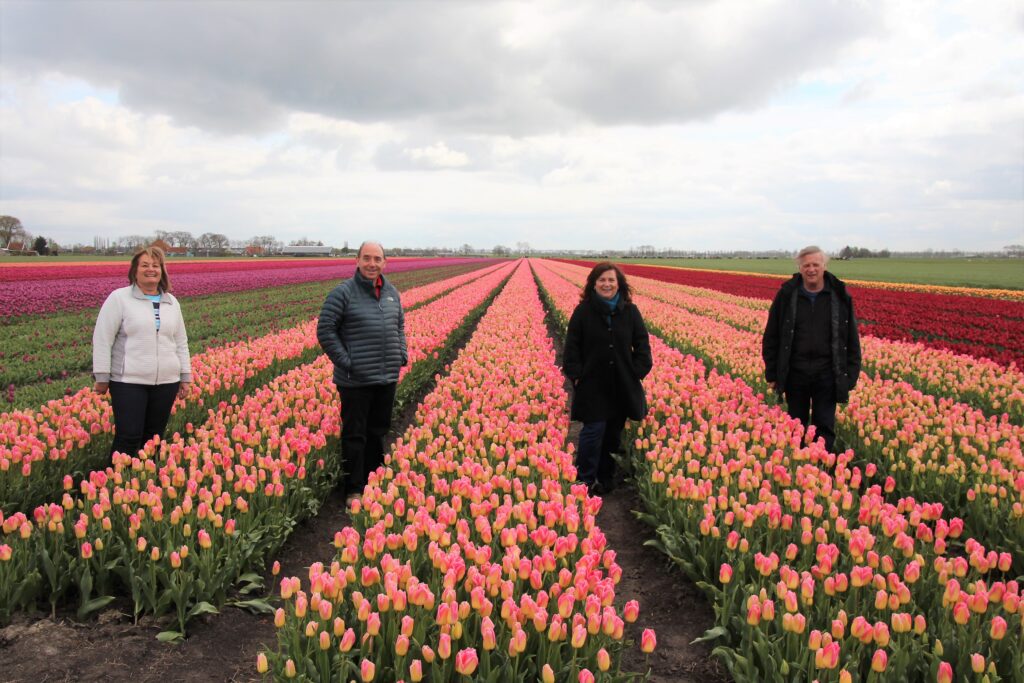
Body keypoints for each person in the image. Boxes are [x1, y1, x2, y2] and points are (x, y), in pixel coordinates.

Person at [317, 241, 408, 504]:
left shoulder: (391, 292)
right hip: (355, 380)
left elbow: (399, 325)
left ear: (385, 262)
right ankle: (354, 489)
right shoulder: (342, 293)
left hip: (386, 376)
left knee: (378, 430)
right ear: (357, 260)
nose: (372, 263)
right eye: (366, 258)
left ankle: (374, 480)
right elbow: (325, 330)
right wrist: (347, 361)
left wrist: (401, 354)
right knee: (355, 434)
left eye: (377, 258)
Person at [93, 246, 191, 459]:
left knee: (153, 438)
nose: (151, 269)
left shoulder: (172, 302)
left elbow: (180, 342)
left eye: (156, 265)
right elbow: (103, 338)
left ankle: (143, 486)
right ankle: (116, 485)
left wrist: (185, 376)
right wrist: (102, 375)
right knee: (128, 436)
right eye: (144, 265)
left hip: (166, 381)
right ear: (134, 271)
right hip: (129, 380)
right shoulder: (119, 299)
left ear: (162, 271)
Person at [563, 262, 653, 495]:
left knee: (613, 434)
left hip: (621, 384)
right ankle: (584, 479)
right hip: (592, 384)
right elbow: (571, 347)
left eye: (611, 280)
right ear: (593, 284)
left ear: (619, 284)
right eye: (601, 280)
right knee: (593, 431)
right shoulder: (583, 312)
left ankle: (605, 477)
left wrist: (637, 372)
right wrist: (576, 375)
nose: (607, 284)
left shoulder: (630, 312)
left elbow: (642, 344)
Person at [761, 245, 862, 453]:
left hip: (827, 373)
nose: (811, 269)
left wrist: (849, 376)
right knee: (795, 425)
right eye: (806, 265)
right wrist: (772, 372)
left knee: (824, 426)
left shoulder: (839, 295)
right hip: (795, 372)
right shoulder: (787, 295)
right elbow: (772, 335)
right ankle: (796, 468)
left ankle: (821, 471)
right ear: (800, 268)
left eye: (816, 264)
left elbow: (851, 338)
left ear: (824, 266)